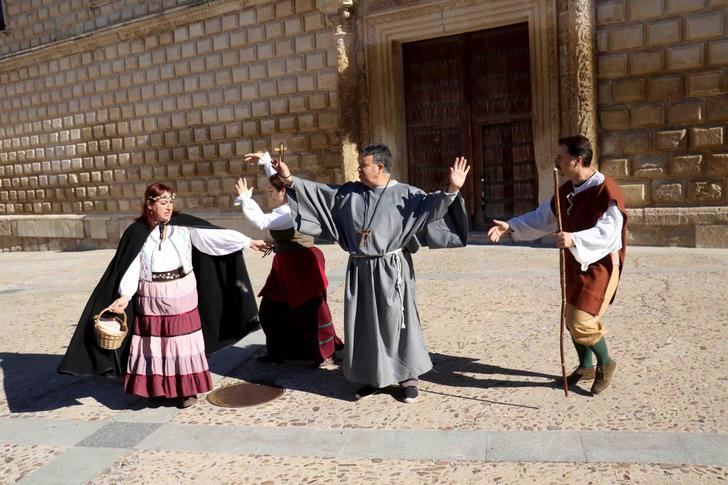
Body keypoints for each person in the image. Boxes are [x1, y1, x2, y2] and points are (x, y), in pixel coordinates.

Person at [264, 143, 469, 403]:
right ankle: (372, 377)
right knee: (364, 326)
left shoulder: (407, 194)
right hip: (360, 270)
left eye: (363, 165)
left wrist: (453, 189)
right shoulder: (349, 193)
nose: (358, 170)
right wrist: (289, 179)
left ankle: (407, 378)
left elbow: (433, 208)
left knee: (398, 324)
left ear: (380, 167)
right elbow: (318, 193)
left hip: (392, 271)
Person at [58, 182, 268, 408]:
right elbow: (132, 266)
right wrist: (125, 295)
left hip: (181, 291)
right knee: (155, 345)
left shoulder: (183, 226)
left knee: (181, 343)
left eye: (170, 200)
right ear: (149, 205)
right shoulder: (138, 232)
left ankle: (186, 390)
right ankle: (156, 389)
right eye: (163, 201)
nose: (168, 206)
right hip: (151, 294)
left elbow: (214, 237)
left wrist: (248, 242)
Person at [487, 135, 626, 395]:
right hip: (575, 262)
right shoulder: (567, 189)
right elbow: (543, 217)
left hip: (601, 264)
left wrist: (574, 238)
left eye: (561, 157)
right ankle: (585, 366)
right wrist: (511, 226)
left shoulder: (605, 189)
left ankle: (605, 363)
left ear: (578, 159)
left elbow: (610, 233)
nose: (556, 161)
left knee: (581, 319)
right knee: (570, 316)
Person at [233, 152, 343, 366]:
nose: (269, 194)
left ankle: (326, 352)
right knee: (271, 310)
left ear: (283, 192)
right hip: (286, 264)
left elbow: (262, 222)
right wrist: (266, 162)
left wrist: (246, 198)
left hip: (302, 264)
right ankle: (280, 352)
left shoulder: (288, 211)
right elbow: (279, 180)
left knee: (311, 311)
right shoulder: (288, 203)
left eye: (271, 191)